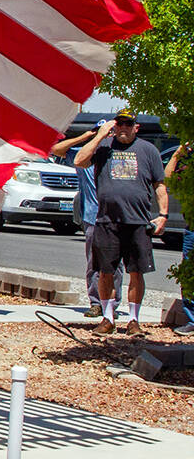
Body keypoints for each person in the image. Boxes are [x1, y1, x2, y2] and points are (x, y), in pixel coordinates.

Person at [74, 109, 167, 337]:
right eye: (120, 124)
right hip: (106, 220)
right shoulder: (104, 148)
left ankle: (134, 321)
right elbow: (79, 160)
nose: (123, 128)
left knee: (136, 272)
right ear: (114, 126)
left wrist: (163, 214)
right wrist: (99, 136)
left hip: (137, 221)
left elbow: (159, 185)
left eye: (128, 124)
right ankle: (107, 318)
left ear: (136, 127)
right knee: (105, 272)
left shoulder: (148, 150)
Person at [52, 128, 122, 318]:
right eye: (100, 132)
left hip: (115, 217)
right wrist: (86, 137)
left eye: (108, 133)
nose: (104, 136)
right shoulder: (82, 155)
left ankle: (112, 304)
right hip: (92, 216)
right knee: (94, 263)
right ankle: (96, 303)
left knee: (116, 264)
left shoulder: (115, 154)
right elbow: (56, 149)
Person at [164, 141, 194, 335]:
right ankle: (192, 319)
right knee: (189, 273)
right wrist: (179, 151)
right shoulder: (188, 164)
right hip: (192, 226)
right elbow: (167, 177)